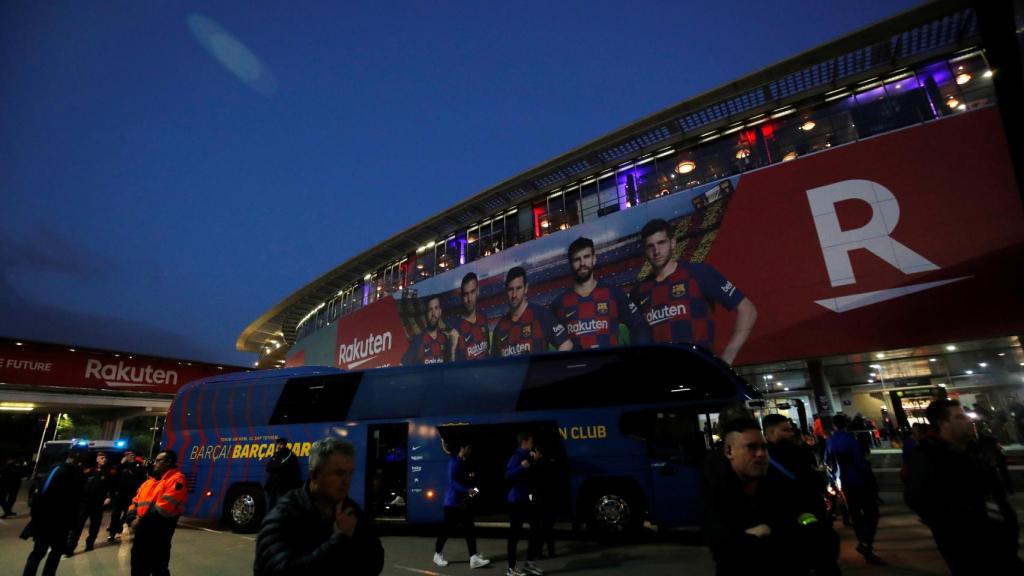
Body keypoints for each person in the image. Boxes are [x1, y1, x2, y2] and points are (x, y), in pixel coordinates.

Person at [701, 418, 838, 576]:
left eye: (764, 447)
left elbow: (826, 542)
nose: (760, 454)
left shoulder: (785, 489)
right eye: (751, 447)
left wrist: (766, 533)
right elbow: (726, 551)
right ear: (729, 451)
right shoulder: (719, 496)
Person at [905, 399, 1023, 574]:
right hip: (968, 548)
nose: (968, 420)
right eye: (960, 417)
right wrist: (953, 525)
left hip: (1000, 542)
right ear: (943, 423)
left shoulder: (973, 449)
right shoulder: (928, 456)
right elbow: (916, 498)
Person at [629, 218, 756, 365]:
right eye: (650, 246)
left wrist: (729, 355)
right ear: (645, 251)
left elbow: (748, 310)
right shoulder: (638, 291)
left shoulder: (699, 274)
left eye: (661, 243)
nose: (656, 251)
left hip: (700, 372)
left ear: (673, 243)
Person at [254, 437, 383, 576]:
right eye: (339, 473)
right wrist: (339, 540)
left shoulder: (349, 510)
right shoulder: (283, 516)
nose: (347, 481)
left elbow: (375, 560)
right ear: (315, 474)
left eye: (350, 473)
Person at [549, 236, 650, 349]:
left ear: (594, 259)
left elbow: (639, 325)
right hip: (579, 366)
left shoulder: (613, 293)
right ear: (570, 264)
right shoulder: (559, 303)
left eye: (586, 257)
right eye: (577, 259)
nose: (582, 263)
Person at [827, 413, 882, 564]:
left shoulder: (830, 441)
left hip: (843, 482)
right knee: (872, 512)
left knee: (855, 514)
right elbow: (860, 462)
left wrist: (833, 480)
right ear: (845, 424)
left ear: (833, 425)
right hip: (859, 480)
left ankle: (865, 547)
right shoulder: (851, 439)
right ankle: (865, 544)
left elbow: (828, 462)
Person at [22, 447, 84, 576]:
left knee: (38, 553)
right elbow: (75, 501)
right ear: (78, 457)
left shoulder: (55, 469)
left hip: (46, 520)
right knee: (52, 554)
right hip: (58, 523)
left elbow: (41, 494)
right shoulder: (71, 473)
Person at [126, 450, 187, 576]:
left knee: (158, 569)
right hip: (141, 535)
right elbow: (134, 501)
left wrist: (139, 521)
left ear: (168, 462)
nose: (155, 463)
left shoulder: (177, 480)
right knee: (137, 568)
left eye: (159, 461)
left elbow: (162, 509)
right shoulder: (148, 482)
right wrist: (131, 518)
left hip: (159, 536)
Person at [492, 267, 572, 358]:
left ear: (526, 288)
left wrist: (551, 369)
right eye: (511, 289)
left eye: (518, 288)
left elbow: (566, 344)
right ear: (506, 290)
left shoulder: (542, 315)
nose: (514, 295)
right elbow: (495, 365)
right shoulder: (499, 328)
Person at [433, 443, 489, 569]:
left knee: (470, 529)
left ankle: (473, 558)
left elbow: (468, 483)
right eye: (468, 448)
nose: (470, 450)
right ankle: (437, 554)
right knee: (446, 530)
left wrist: (474, 491)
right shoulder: (454, 462)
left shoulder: (464, 462)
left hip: (462, 503)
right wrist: (468, 491)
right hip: (452, 503)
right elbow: (452, 482)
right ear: (462, 448)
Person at [505, 432, 543, 576]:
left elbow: (529, 476)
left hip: (526, 500)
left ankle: (530, 564)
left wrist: (534, 461)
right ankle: (511, 569)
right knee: (514, 535)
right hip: (515, 502)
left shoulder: (528, 455)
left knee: (535, 529)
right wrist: (522, 466)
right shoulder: (517, 456)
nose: (532, 444)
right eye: (531, 442)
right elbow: (507, 475)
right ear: (525, 442)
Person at [67, 451, 113, 555]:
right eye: (101, 457)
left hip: (98, 504)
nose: (104, 459)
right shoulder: (88, 471)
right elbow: (79, 484)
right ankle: (70, 548)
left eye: (105, 458)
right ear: (97, 459)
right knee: (77, 526)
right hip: (85, 503)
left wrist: (109, 497)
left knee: (95, 526)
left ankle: (90, 544)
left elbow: (112, 486)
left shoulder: (108, 472)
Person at [448, 272, 491, 361]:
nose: (469, 298)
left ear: (478, 291)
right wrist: (452, 349)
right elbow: (451, 367)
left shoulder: (483, 317)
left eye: (472, 292)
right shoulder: (456, 327)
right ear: (462, 296)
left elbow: (487, 350)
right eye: (466, 294)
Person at [402, 295, 452, 365]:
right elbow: (403, 365)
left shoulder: (445, 339)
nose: (433, 313)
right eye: (430, 309)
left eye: (436, 308)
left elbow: (449, 366)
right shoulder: (418, 340)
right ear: (426, 314)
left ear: (440, 312)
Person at [108, 449, 145, 543]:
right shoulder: (120, 466)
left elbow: (142, 479)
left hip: (131, 494)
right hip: (119, 494)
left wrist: (139, 490)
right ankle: (112, 534)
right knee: (115, 514)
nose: (131, 456)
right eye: (128, 455)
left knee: (127, 514)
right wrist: (121, 464)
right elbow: (113, 477)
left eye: (132, 454)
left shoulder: (138, 466)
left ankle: (119, 527)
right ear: (125, 456)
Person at [265, 438, 302, 510]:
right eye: (278, 444)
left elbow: (283, 467)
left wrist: (275, 468)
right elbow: (268, 467)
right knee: (269, 508)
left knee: (281, 508)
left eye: (281, 444)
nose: (278, 446)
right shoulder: (275, 455)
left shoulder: (289, 455)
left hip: (282, 488)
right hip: (271, 487)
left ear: (285, 445)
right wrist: (276, 467)